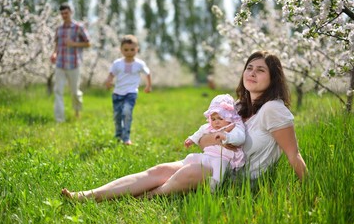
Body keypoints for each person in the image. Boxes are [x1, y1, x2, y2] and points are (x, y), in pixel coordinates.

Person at [61, 51, 307, 202]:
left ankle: (142, 199)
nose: (252, 73)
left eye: (260, 70)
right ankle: (86, 196)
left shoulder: (274, 110)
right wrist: (211, 139)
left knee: (189, 173)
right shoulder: (239, 107)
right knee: (160, 169)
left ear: (273, 78)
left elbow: (293, 155)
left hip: (238, 178)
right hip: (215, 162)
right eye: (249, 68)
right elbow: (205, 139)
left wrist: (309, 193)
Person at [183, 94, 245, 191]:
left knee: (220, 169)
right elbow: (199, 132)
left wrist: (227, 137)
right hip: (207, 156)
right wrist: (191, 139)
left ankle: (214, 187)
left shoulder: (234, 127)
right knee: (190, 157)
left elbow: (240, 137)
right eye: (213, 119)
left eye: (220, 118)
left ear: (230, 117)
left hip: (222, 158)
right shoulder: (208, 127)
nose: (216, 122)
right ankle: (181, 173)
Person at [104, 35, 152, 145]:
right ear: (121, 50)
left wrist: (148, 86)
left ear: (137, 49)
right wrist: (108, 81)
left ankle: (126, 138)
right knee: (117, 116)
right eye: (126, 50)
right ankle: (118, 135)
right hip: (117, 93)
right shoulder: (117, 63)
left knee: (126, 112)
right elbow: (111, 74)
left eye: (132, 49)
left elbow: (147, 73)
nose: (129, 52)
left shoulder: (139, 64)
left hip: (131, 92)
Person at [50, 3, 91, 122]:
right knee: (58, 91)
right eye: (62, 13)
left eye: (66, 13)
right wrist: (54, 53)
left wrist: (74, 44)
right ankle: (59, 119)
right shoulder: (59, 29)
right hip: (60, 64)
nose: (64, 15)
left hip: (74, 64)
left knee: (74, 92)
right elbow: (57, 44)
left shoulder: (79, 27)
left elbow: (88, 43)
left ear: (71, 12)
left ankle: (77, 111)